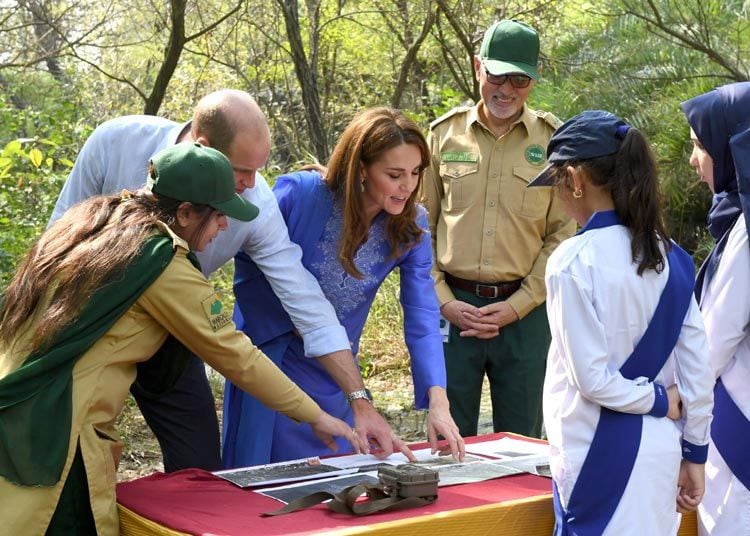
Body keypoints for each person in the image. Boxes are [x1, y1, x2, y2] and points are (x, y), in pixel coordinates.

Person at [0, 142, 359, 535]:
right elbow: (236, 354)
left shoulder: (92, 224)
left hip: (17, 407)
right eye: (219, 214)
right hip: (60, 434)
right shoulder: (159, 259)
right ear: (185, 212)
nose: (225, 226)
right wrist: (316, 416)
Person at [49, 89, 406, 472]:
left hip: (171, 334)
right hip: (83, 323)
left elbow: (304, 307)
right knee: (71, 455)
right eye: (241, 172)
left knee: (199, 466)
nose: (251, 186)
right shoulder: (117, 143)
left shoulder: (254, 209)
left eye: (259, 169)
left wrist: (358, 400)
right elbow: (59, 244)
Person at [223, 107, 465, 466]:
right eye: (395, 174)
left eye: (415, 173)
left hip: (336, 375)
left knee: (331, 481)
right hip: (271, 365)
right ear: (362, 168)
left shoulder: (411, 225)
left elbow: (423, 315)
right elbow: (247, 261)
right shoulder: (301, 195)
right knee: (265, 481)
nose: (408, 186)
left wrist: (439, 402)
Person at [529, 110, 714, 534]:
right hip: (663, 450)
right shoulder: (674, 258)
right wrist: (695, 453)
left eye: (557, 183)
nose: (556, 196)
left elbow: (591, 379)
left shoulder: (571, 261)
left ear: (575, 179)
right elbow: (698, 375)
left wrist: (658, 400)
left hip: (595, 452)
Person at [419, 19, 575, 439]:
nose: (505, 89)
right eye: (496, 74)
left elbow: (562, 235)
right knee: (447, 439)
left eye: (519, 79)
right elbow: (419, 231)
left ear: (533, 81)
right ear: (477, 68)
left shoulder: (556, 142)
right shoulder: (441, 137)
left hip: (524, 317)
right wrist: (443, 300)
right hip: (454, 309)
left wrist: (519, 304)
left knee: (524, 442)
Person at [681, 82, 750, 536]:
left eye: (700, 146)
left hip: (738, 438)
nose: (693, 160)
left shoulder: (747, 233)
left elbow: (711, 343)